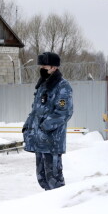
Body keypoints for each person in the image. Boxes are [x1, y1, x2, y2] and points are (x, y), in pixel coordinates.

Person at [22, 51, 73, 190]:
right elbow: (36, 111)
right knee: (42, 178)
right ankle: (49, 207)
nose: (42, 68)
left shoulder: (62, 86)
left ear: (54, 67)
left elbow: (64, 112)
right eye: (41, 65)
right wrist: (27, 127)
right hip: (39, 141)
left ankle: (62, 207)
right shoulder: (43, 85)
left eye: (45, 65)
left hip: (52, 141)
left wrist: (44, 128)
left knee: (54, 179)